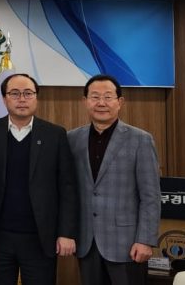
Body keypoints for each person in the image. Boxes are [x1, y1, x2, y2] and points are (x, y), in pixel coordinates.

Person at [0, 74, 78, 285]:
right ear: (4, 99)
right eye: (15, 94)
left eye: (28, 93)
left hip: (40, 237)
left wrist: (66, 232)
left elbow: (67, 187)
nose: (22, 99)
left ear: (36, 98)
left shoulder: (55, 135)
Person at [68, 74, 161, 285]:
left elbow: (151, 196)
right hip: (87, 243)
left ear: (120, 102)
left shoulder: (141, 140)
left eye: (108, 97)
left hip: (127, 245)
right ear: (85, 101)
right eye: (95, 97)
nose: (101, 103)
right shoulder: (72, 139)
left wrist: (145, 240)